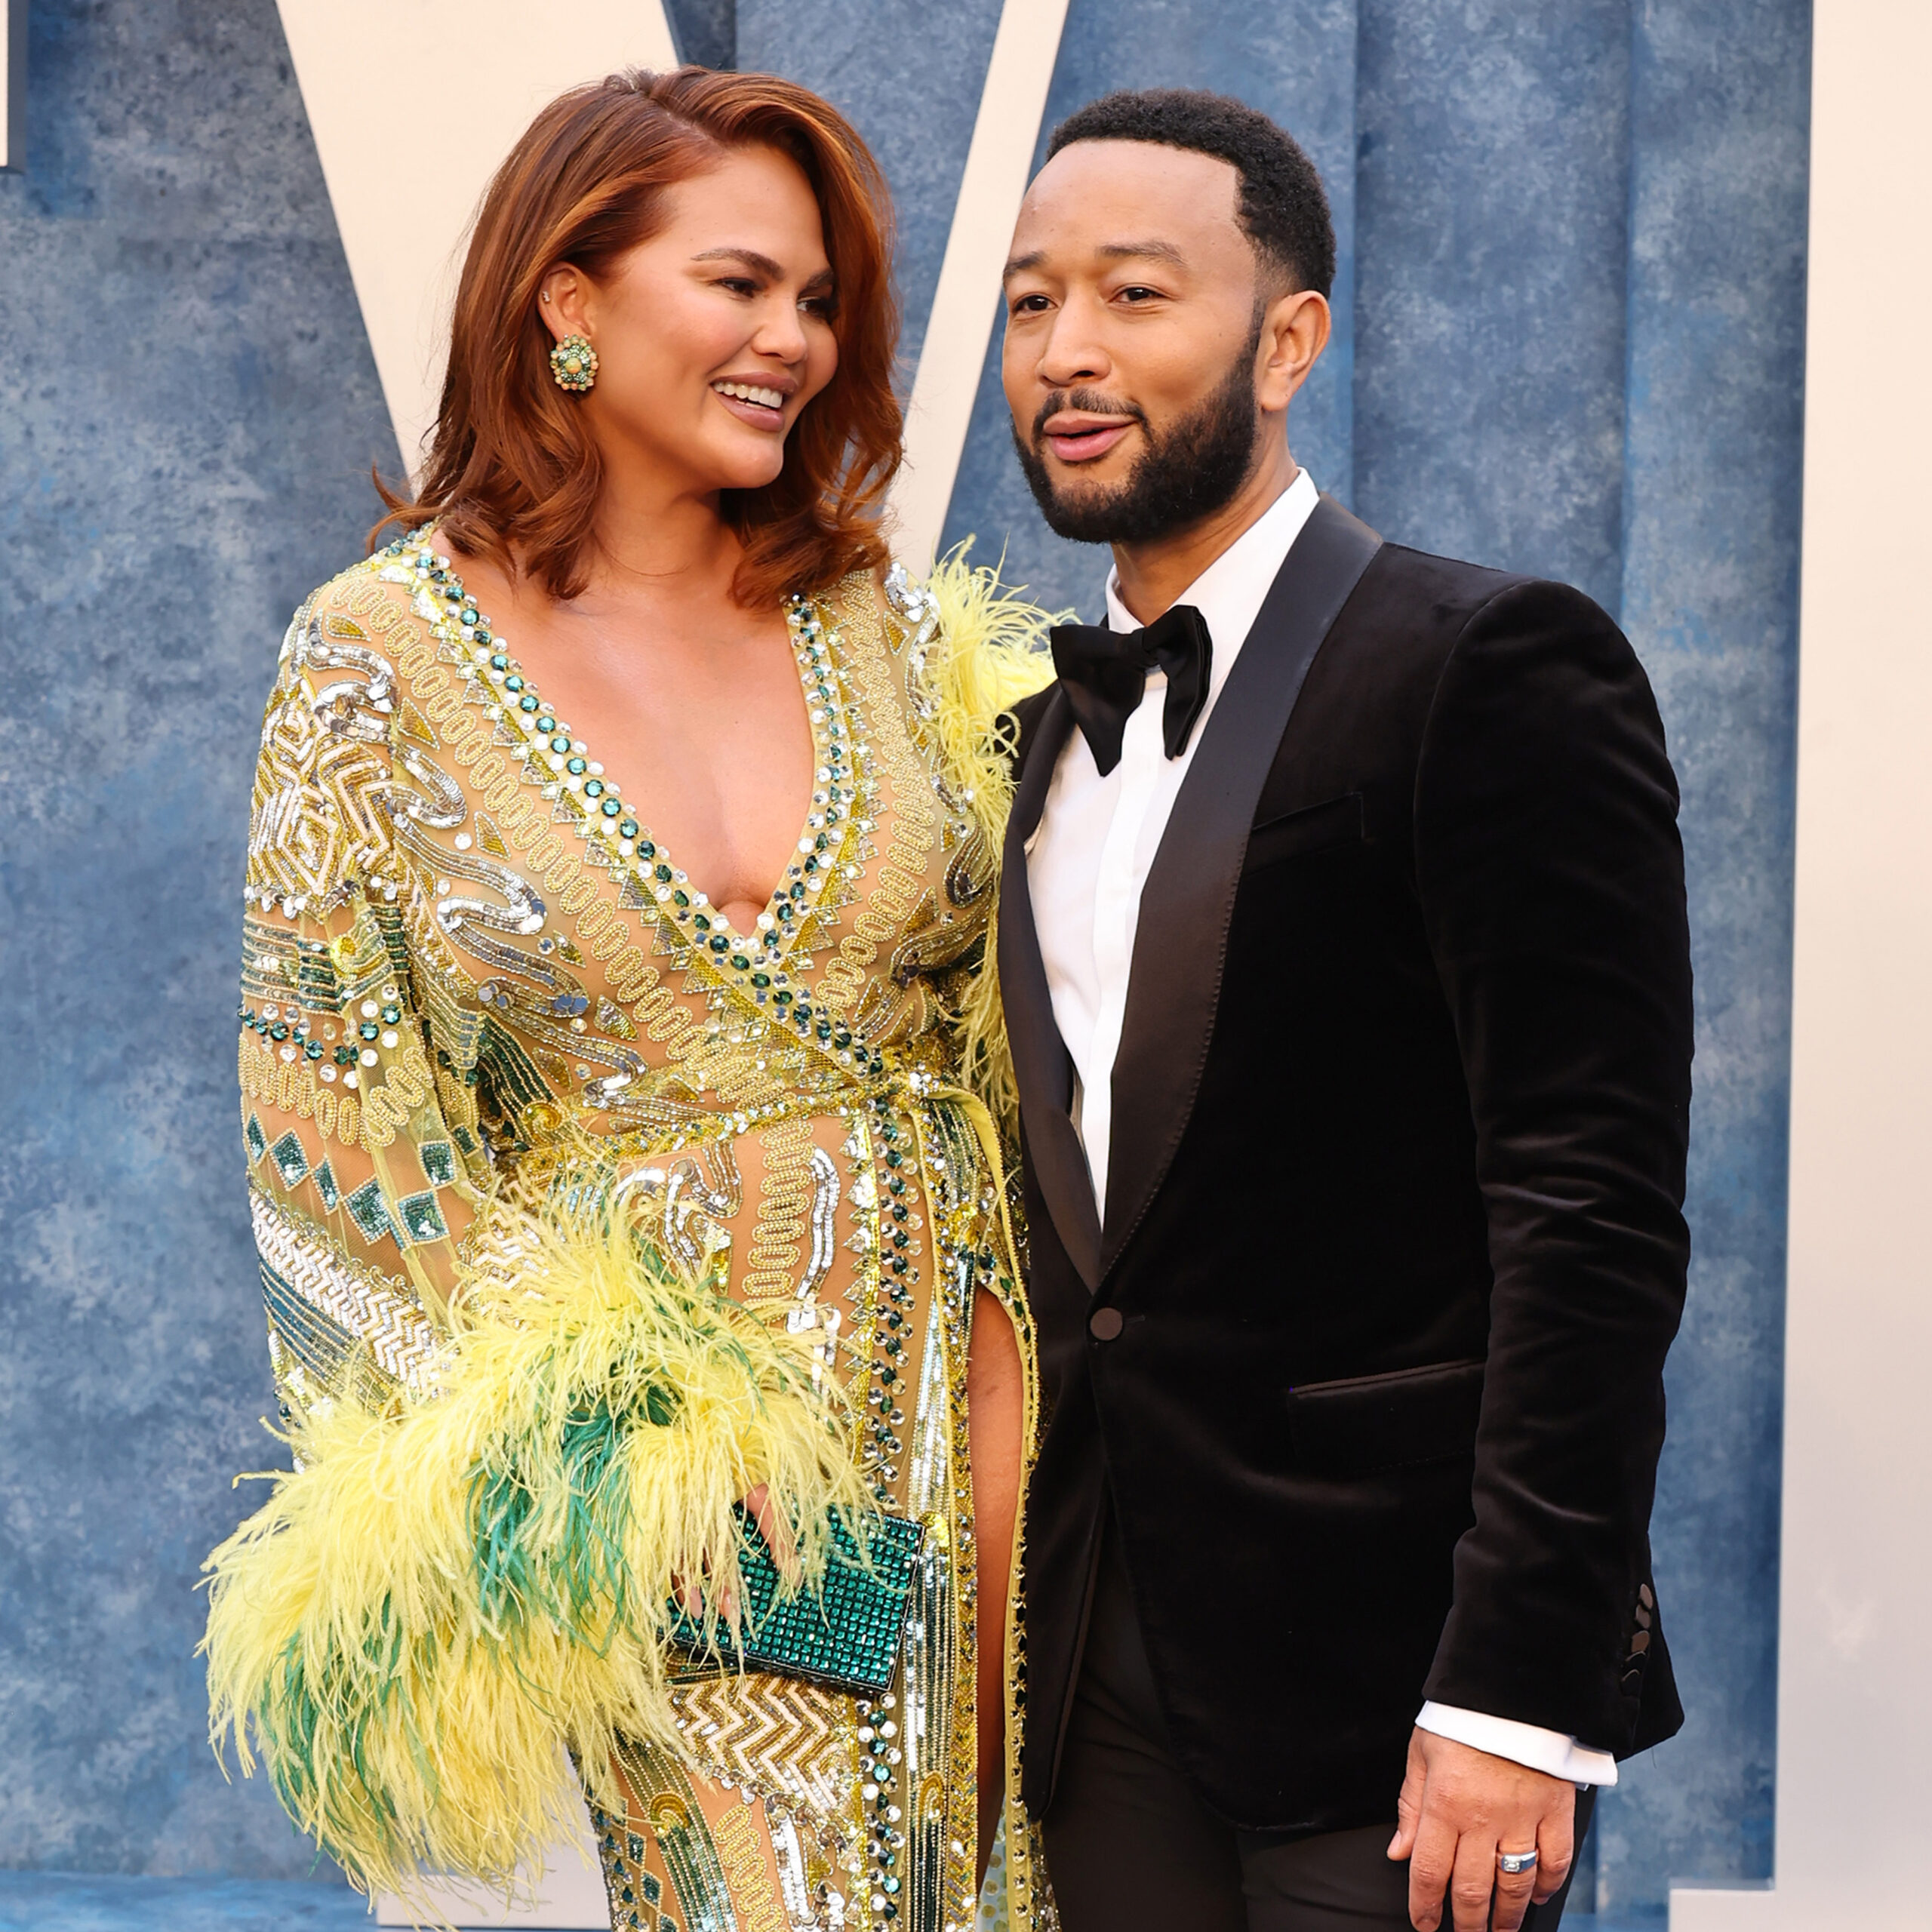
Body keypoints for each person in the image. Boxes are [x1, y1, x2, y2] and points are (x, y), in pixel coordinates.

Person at [203, 67, 1057, 1932]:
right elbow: (335, 1143)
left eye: (817, 300)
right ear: (568, 300)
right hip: (643, 1526)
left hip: (979, 1438)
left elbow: (1033, 1042)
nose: (793, 341)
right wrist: (623, 1492)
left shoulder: (892, 631)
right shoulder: (375, 662)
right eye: (738, 283)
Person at [993, 89, 1693, 1932]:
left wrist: (1515, 1691)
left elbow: (1590, 1213)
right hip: (1098, 1669)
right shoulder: (1032, 739)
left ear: (1287, 340)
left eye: (1134, 293)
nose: (1066, 352)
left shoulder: (1488, 665)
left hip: (1401, 1685)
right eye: (1029, 301)